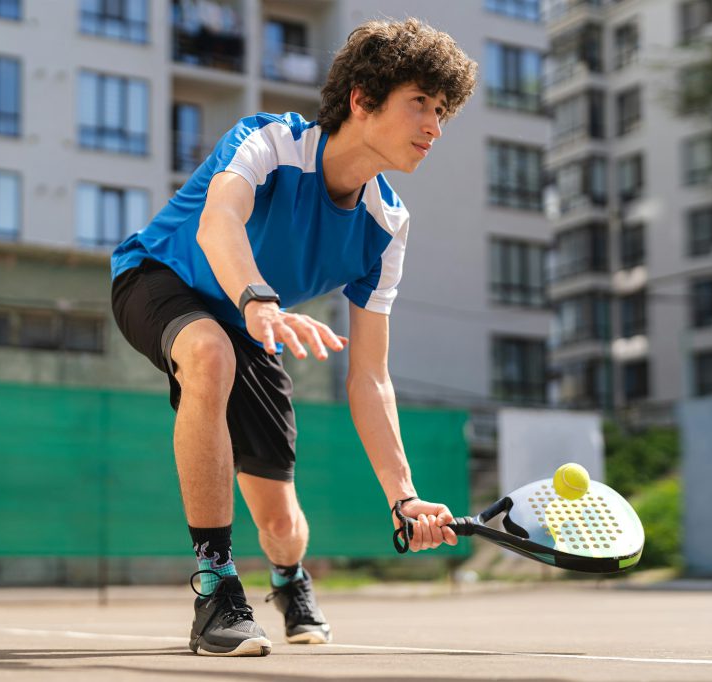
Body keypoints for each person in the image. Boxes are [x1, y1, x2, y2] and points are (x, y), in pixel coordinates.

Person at [110, 18, 478, 657]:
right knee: (207, 351)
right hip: (161, 276)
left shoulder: (387, 225)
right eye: (420, 102)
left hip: (255, 322)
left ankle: (288, 578)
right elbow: (218, 221)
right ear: (362, 99)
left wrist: (405, 497)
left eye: (442, 110)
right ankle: (217, 587)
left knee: (282, 524)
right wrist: (258, 301)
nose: (434, 127)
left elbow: (370, 376)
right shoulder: (270, 140)